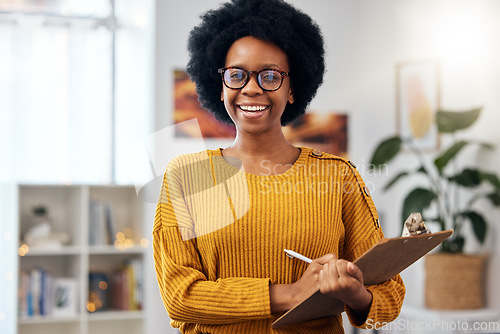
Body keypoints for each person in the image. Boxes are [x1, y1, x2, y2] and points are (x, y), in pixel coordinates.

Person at [153, 0, 405, 333]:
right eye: (237, 75)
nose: (251, 87)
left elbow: (389, 297)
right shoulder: (187, 175)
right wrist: (290, 294)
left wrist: (353, 293)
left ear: (291, 89)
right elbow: (179, 297)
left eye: (270, 75)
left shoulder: (336, 175)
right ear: (221, 85)